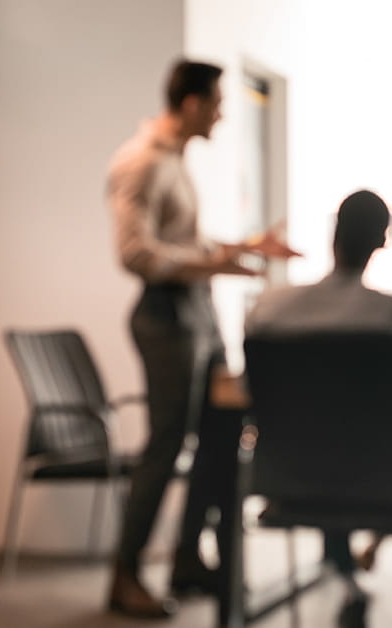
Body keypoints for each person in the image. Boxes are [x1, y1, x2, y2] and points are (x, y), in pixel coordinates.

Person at [105, 59, 300, 619]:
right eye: (216, 102)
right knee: (165, 447)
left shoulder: (175, 162)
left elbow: (185, 241)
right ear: (191, 103)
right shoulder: (139, 163)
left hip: (197, 315)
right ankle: (125, 573)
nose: (221, 113)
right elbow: (136, 254)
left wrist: (242, 250)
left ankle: (189, 556)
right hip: (166, 319)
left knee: (221, 435)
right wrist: (215, 261)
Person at [245, 190, 392, 627]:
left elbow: (251, 396)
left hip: (289, 481)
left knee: (328, 447)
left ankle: (348, 579)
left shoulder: (270, 311)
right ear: (381, 242)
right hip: (389, 482)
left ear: (333, 236)